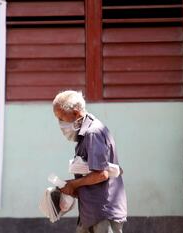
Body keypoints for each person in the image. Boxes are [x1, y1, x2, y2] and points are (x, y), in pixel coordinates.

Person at [52, 91, 127, 233]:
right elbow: (90, 173)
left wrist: (73, 184)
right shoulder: (84, 134)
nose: (60, 124)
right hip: (90, 212)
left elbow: (101, 174)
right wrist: (69, 187)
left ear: (76, 113)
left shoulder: (93, 133)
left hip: (102, 213)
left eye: (61, 118)